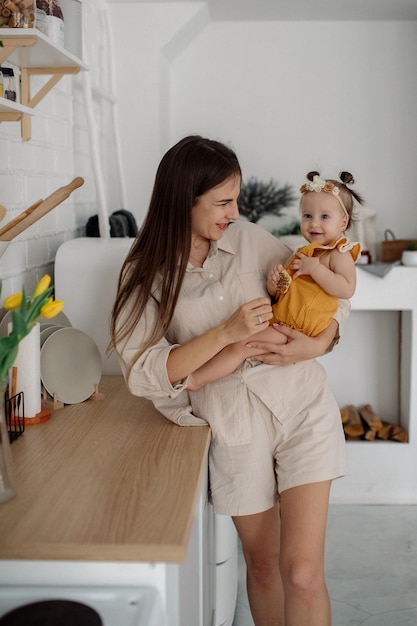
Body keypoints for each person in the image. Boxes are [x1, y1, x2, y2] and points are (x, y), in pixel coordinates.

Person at [110, 135, 351, 626]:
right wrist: (226, 334)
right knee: (263, 566)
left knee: (302, 572)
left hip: (302, 404)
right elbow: (143, 371)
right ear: (184, 200)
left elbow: (326, 284)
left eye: (235, 199)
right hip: (232, 424)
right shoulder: (144, 272)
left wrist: (320, 343)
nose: (233, 212)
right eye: (222, 202)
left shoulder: (248, 240)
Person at [186, 170, 362, 391]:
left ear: (343, 221)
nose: (314, 224)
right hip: (285, 318)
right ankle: (200, 374)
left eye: (324, 217)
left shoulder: (339, 253)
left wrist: (316, 269)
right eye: (308, 216)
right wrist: (276, 286)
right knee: (239, 344)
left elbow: (346, 290)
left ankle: (196, 380)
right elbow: (290, 292)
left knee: (240, 346)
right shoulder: (305, 252)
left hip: (298, 326)